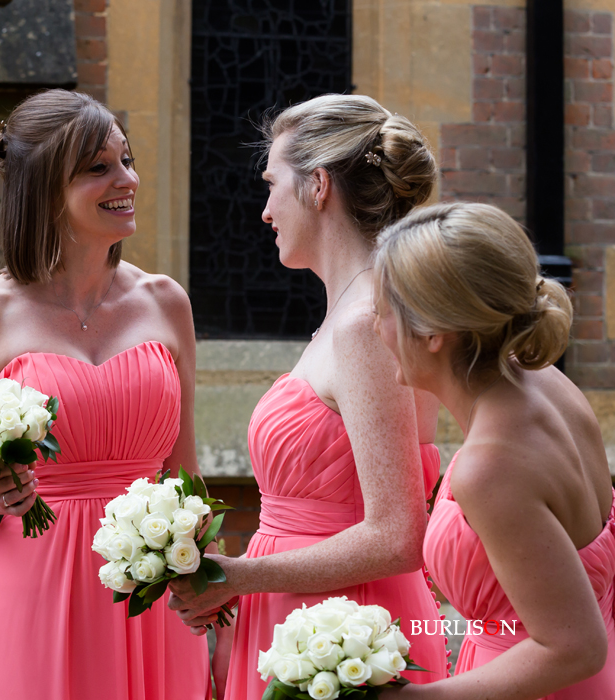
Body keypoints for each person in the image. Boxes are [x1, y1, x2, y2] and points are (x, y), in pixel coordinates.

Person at [0, 89, 215, 700]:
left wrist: (209, 581)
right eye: (99, 168)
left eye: (127, 160)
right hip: (34, 579)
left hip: (152, 585)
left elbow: (185, 473)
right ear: (42, 190)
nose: (128, 180)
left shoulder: (166, 302)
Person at [168, 94, 448, 699]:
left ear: (319, 185)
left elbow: (398, 533)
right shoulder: (351, 312)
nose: (265, 210)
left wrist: (237, 578)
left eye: (273, 183)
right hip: (300, 616)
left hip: (342, 630)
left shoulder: (365, 324)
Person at [372, 202, 615, 699]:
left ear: (433, 332)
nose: (376, 329)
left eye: (384, 313)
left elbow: (574, 648)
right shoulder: (546, 382)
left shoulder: (491, 468)